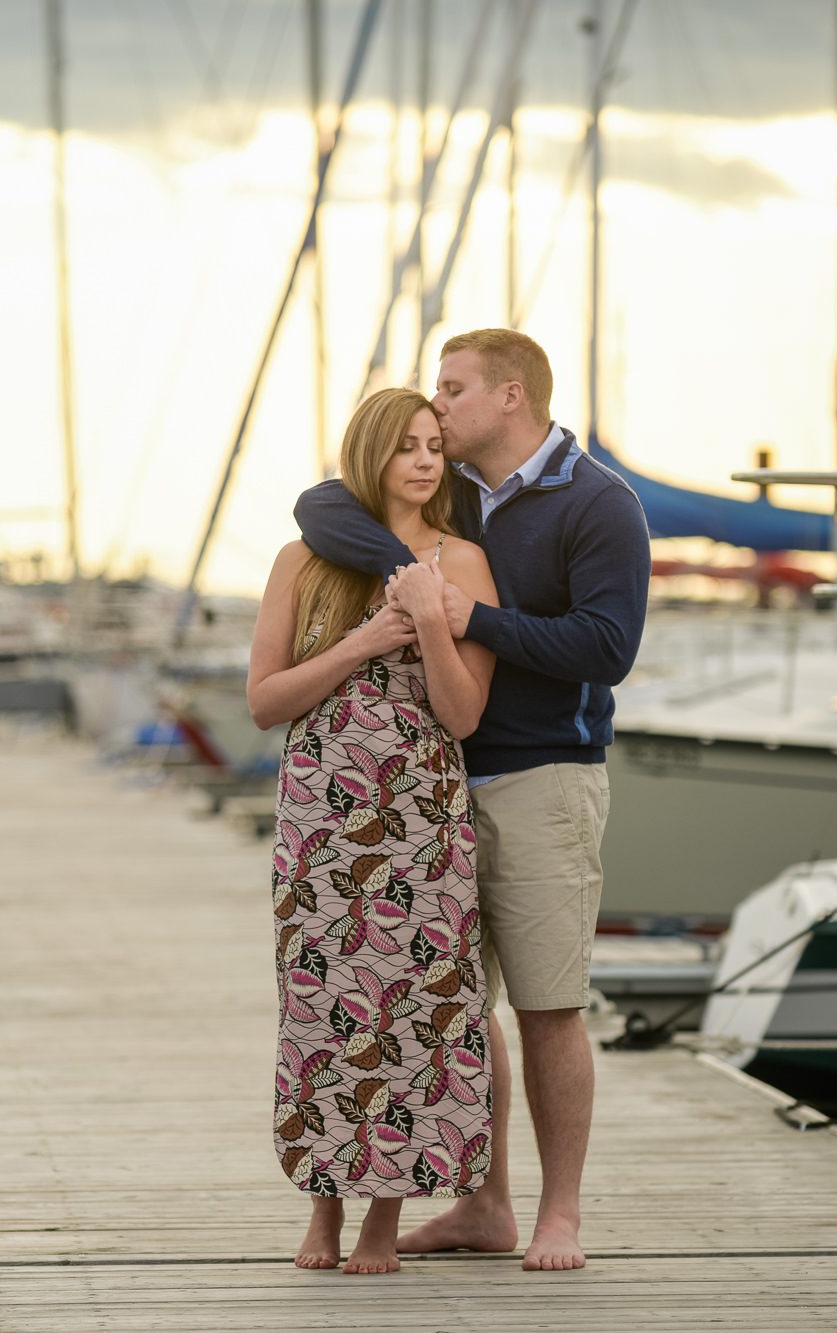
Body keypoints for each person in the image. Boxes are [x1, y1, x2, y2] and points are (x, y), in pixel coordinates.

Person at [294, 329, 650, 1271]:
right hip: (432, 790)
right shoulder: (450, 492)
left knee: (547, 1002)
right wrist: (409, 576)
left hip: (541, 775)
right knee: (451, 1005)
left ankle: (559, 1212)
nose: (436, 407)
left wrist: (471, 617)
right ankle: (483, 1202)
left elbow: (609, 647)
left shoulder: (600, 504)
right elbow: (322, 502)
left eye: (451, 391)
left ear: (511, 399)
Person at [249, 386, 500, 1275]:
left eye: (435, 445)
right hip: (320, 812)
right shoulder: (302, 560)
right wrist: (362, 641)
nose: (427, 461)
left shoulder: (463, 561)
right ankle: (321, 1208)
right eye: (407, 447)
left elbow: (463, 713)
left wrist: (430, 617)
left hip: (419, 817)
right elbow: (264, 701)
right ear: (370, 455)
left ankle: (382, 1222)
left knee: (412, 1010)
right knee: (321, 1004)